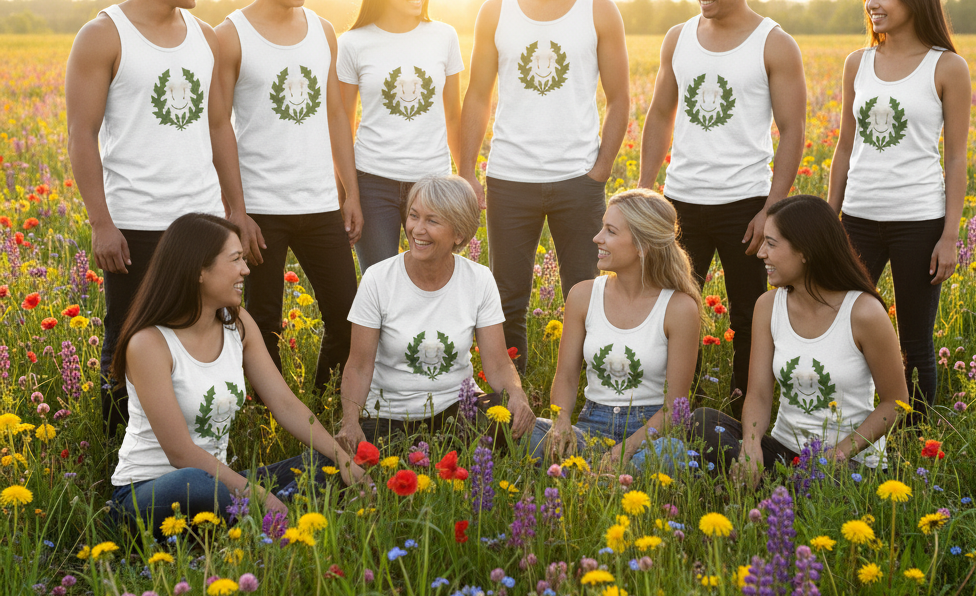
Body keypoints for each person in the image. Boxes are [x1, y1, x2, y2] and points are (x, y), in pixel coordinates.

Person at [65, 0, 257, 438]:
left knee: (209, 334)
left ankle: (207, 440)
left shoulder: (205, 37)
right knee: (128, 339)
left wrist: (235, 211)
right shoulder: (102, 36)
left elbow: (218, 125)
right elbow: (81, 135)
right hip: (137, 223)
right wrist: (101, 223)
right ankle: (119, 455)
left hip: (203, 222)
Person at [109, 213, 367, 530]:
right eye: (235, 260)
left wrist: (342, 459)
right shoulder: (149, 343)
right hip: (149, 493)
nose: (246, 269)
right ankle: (254, 517)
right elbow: (180, 453)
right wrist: (258, 496)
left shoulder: (238, 323)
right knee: (196, 484)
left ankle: (243, 522)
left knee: (326, 465)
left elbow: (285, 404)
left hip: (220, 484)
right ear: (199, 270)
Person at [639, 0, 806, 413]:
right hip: (679, 201)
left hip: (745, 204)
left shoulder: (775, 44)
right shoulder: (678, 38)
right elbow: (659, 115)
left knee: (750, 317)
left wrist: (771, 208)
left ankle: (745, 417)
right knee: (668, 309)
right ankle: (667, 411)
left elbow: (793, 130)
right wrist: (645, 194)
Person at [460, 0, 630, 371]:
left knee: (586, 292)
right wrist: (467, 170)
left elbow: (620, 98)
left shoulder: (600, 10)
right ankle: (508, 395)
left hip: (579, 180)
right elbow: (477, 95)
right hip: (510, 178)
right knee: (507, 297)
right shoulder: (495, 11)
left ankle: (587, 391)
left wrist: (599, 171)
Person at [635, 196, 908, 482]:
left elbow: (895, 401)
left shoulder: (863, 312)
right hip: (783, 454)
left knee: (822, 482)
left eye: (771, 244)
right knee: (703, 422)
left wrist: (837, 455)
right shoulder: (768, 306)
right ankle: (774, 484)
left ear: (806, 251)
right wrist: (751, 447)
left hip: (846, 466)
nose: (761, 253)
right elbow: (759, 395)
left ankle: (775, 489)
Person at [215, 0, 361, 397]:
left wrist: (350, 193)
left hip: (319, 203)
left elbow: (336, 114)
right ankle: (266, 418)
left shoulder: (323, 31)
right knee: (263, 324)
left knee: (348, 316)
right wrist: (237, 210)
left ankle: (322, 400)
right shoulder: (231, 35)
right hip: (260, 210)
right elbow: (218, 126)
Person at [827, 0, 970, 421]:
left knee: (915, 341)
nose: (872, 3)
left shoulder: (947, 67)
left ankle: (915, 439)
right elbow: (845, 147)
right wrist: (830, 217)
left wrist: (949, 236)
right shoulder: (857, 63)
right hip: (857, 218)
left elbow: (955, 158)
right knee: (840, 327)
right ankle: (846, 421)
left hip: (919, 222)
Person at [335, 175, 534, 450]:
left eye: (432, 221)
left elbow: (498, 362)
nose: (417, 229)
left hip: (459, 409)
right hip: (389, 416)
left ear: (459, 234)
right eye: (413, 216)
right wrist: (350, 421)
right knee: (348, 463)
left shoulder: (479, 279)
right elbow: (358, 365)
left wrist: (517, 393)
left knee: (529, 435)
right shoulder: (378, 279)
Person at [539, 189, 702, 469]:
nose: (597, 237)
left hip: (648, 433)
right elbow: (565, 376)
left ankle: (592, 475)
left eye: (610, 231)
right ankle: (605, 477)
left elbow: (674, 408)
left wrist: (625, 450)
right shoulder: (583, 295)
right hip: (591, 427)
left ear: (642, 245)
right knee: (531, 431)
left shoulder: (679, 308)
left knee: (671, 452)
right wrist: (561, 422)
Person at [338, 0, 464, 272]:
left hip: (434, 182)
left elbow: (454, 116)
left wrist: (465, 180)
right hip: (372, 182)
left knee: (433, 277)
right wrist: (349, 194)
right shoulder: (352, 43)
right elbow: (342, 124)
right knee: (380, 280)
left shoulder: (444, 36)